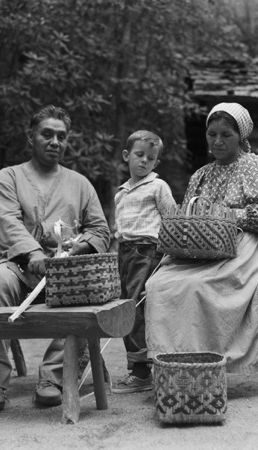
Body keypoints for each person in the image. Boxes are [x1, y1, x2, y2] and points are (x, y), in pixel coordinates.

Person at [0, 105, 110, 413]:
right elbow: (8, 223)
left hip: (64, 273)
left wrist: (77, 248)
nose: (54, 142)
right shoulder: (9, 177)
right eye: (47, 134)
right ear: (30, 137)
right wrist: (33, 252)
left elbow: (101, 230)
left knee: (84, 294)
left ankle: (52, 378)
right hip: (18, 268)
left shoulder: (80, 183)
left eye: (61, 136)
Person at [145, 102, 258, 375]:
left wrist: (230, 216)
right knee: (159, 285)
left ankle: (210, 363)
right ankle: (174, 364)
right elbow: (188, 218)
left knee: (201, 285)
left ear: (241, 137)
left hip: (244, 246)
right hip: (200, 248)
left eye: (226, 135)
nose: (218, 141)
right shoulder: (201, 174)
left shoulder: (257, 166)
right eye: (212, 134)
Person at [111, 130, 176, 394]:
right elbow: (121, 228)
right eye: (139, 155)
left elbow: (172, 218)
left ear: (156, 163)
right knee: (125, 304)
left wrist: (169, 252)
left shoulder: (158, 186)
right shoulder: (121, 193)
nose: (144, 162)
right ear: (127, 156)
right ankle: (141, 367)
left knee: (135, 306)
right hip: (124, 252)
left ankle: (140, 372)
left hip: (147, 252)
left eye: (151, 158)